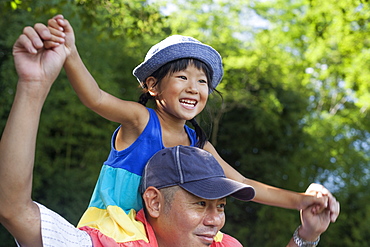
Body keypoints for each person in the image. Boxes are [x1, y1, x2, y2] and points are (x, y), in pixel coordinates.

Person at [0, 23, 333, 246]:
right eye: (182, 77)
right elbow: (96, 98)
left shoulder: (198, 144)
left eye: (202, 81)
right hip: (122, 223)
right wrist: (69, 55)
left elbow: (246, 184)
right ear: (152, 85)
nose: (194, 87)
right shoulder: (140, 119)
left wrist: (303, 203)